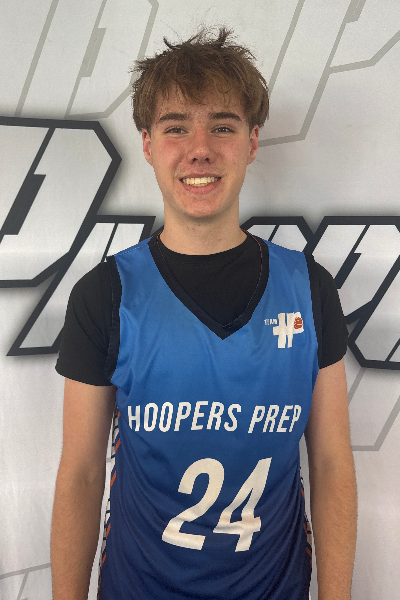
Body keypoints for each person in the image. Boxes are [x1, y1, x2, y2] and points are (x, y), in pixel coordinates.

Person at [51, 28, 357, 600]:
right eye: (175, 128)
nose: (199, 149)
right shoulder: (105, 294)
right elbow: (82, 475)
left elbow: (332, 462)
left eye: (222, 126)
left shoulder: (309, 288)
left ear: (252, 141)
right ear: (147, 144)